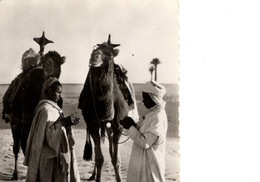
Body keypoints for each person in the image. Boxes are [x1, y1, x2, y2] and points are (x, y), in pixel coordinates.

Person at [23, 77, 80, 182]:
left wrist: (68, 124)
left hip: (58, 155)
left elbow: (57, 127)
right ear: (49, 91)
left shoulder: (54, 109)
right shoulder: (44, 110)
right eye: (58, 92)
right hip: (47, 158)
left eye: (61, 93)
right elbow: (44, 135)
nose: (59, 96)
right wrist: (63, 123)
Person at [120, 80, 168, 182]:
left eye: (145, 98)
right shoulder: (153, 113)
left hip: (149, 166)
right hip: (142, 163)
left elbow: (145, 143)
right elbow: (144, 133)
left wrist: (131, 127)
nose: (143, 101)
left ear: (153, 98)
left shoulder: (158, 116)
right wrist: (133, 125)